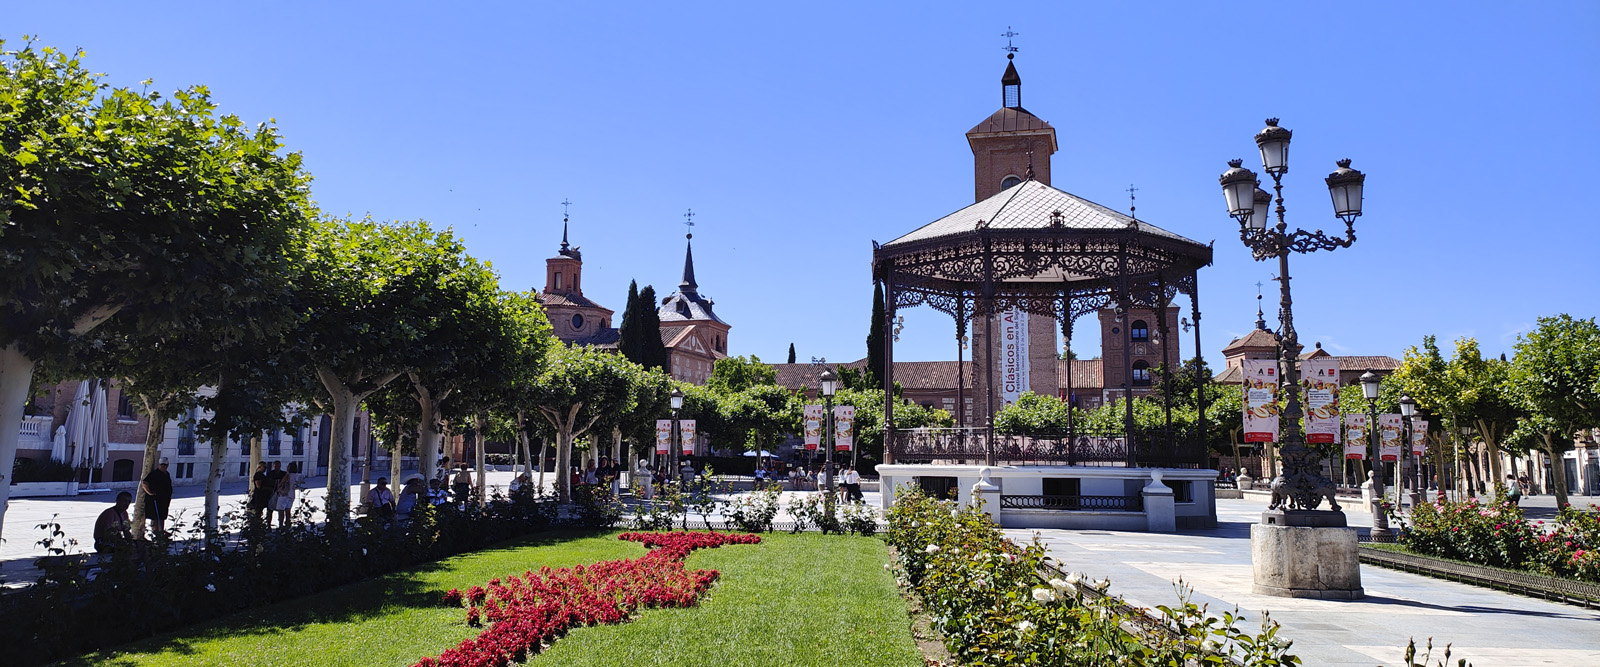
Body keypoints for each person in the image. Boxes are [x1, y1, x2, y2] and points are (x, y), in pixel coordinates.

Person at [140, 457, 174, 536]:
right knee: (155, 516)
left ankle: (161, 530)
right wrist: (150, 493)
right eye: (162, 465)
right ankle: (156, 532)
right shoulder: (154, 474)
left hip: (164, 500)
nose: (164, 466)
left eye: (165, 465)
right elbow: (144, 483)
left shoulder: (166, 474)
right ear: (159, 465)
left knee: (162, 516)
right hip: (155, 500)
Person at [268, 461, 295, 528]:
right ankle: (287, 524)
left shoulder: (286, 474)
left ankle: (281, 525)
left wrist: (279, 489)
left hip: (282, 494)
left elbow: (280, 484)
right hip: (291, 494)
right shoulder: (295, 475)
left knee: (281, 510)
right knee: (288, 510)